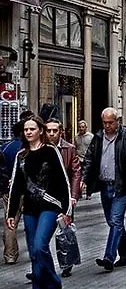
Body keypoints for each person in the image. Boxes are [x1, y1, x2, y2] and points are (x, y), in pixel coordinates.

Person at [6, 116, 72, 288]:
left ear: (40, 131)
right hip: (30, 209)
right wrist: (11, 213)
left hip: (50, 207)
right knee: (34, 253)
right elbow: (16, 186)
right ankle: (38, 286)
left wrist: (67, 210)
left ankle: (54, 283)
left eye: (32, 129)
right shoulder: (21, 155)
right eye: (26, 129)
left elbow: (63, 181)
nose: (28, 132)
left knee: (39, 246)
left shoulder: (50, 151)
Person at [82, 108, 126, 272]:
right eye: (105, 123)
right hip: (105, 185)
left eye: (110, 122)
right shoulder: (98, 137)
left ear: (118, 121)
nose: (107, 126)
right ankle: (125, 254)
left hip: (122, 185)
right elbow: (89, 159)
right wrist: (85, 180)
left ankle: (109, 257)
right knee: (113, 222)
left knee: (116, 220)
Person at [44, 118, 82, 278]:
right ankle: (38, 266)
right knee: (41, 236)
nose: (51, 133)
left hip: (64, 197)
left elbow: (75, 172)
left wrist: (73, 196)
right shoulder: (40, 148)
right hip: (44, 198)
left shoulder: (69, 149)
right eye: (49, 130)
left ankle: (66, 264)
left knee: (65, 233)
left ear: (60, 132)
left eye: (55, 130)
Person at [1, 115, 29, 265]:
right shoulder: (29, 147)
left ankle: (10, 255)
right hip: (28, 190)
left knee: (10, 222)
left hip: (9, 190)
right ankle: (34, 250)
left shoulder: (4, 147)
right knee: (31, 222)